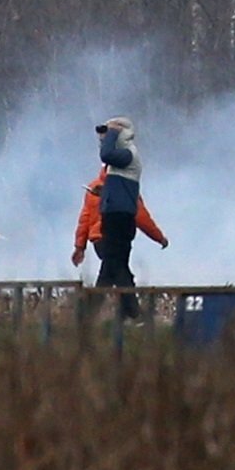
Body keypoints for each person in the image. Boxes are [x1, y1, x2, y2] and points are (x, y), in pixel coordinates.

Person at [91, 116, 144, 318]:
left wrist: (111, 133)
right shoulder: (120, 160)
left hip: (119, 218)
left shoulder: (128, 155)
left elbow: (106, 154)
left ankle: (91, 314)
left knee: (114, 265)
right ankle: (130, 313)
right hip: (117, 216)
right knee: (114, 266)